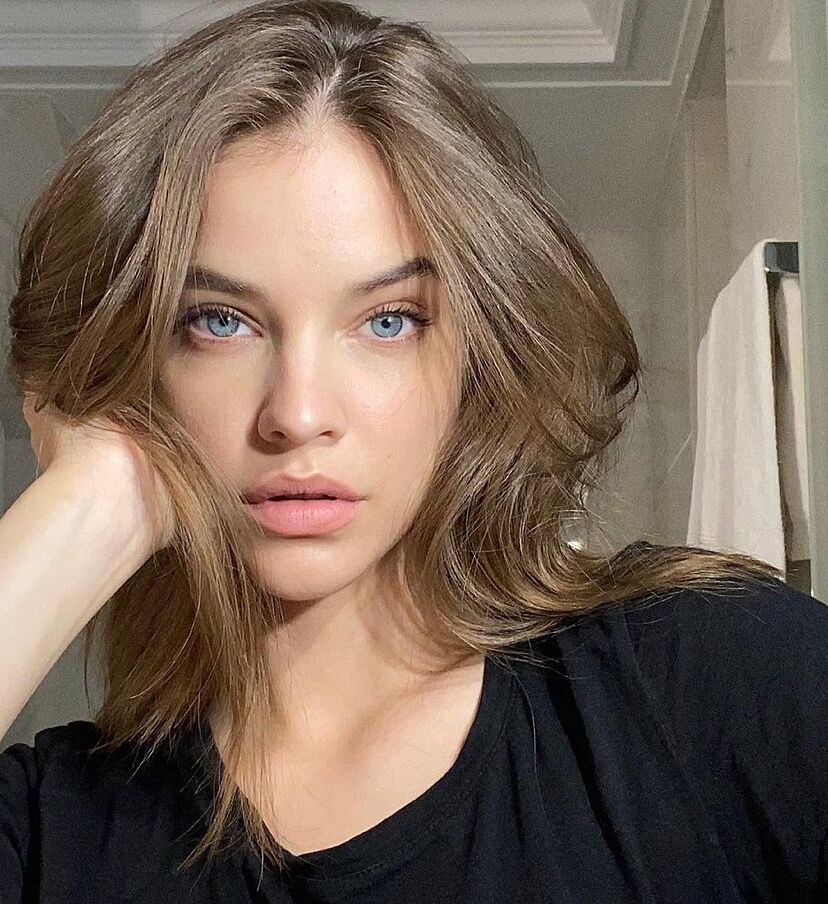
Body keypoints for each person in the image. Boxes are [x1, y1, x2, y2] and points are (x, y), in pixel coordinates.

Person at [1, 1, 826, 901]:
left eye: (388, 321)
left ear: (476, 362)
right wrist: (95, 498)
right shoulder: (55, 829)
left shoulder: (712, 674)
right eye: (218, 322)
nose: (298, 414)